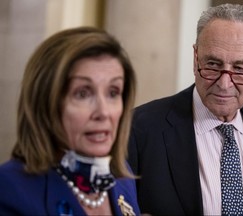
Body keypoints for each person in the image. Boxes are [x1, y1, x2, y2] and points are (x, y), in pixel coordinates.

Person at [128, 3, 243, 215]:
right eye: (213, 64)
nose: (224, 83)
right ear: (196, 58)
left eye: (240, 69)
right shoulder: (139, 129)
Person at [0, 26, 140, 215]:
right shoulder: (9, 190)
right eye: (82, 93)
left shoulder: (122, 179)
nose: (103, 112)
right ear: (45, 101)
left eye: (113, 92)